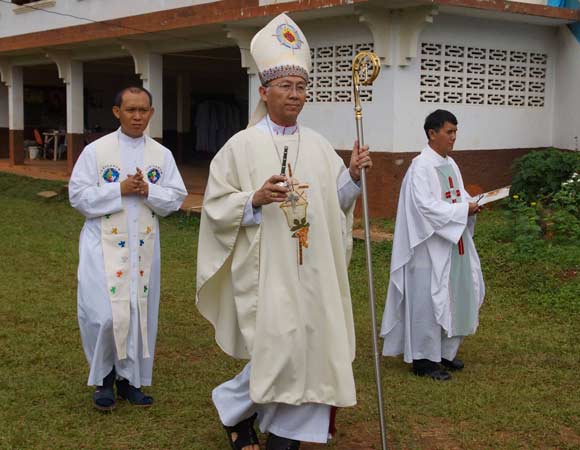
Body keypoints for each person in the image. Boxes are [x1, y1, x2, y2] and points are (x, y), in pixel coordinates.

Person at [195, 13, 371, 450]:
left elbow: (335, 202)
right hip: (268, 269)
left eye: (301, 86)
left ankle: (286, 436)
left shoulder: (318, 145)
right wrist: (253, 199)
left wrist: (351, 175)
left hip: (314, 268)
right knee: (280, 351)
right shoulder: (241, 146)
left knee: (316, 345)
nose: (295, 95)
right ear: (264, 92)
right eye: (286, 86)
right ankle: (235, 408)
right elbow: (216, 206)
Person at [69, 86, 187, 410]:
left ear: (151, 113)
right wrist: (118, 189)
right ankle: (103, 377)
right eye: (131, 110)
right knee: (103, 316)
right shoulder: (96, 151)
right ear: (116, 112)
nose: (137, 116)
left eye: (143, 110)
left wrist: (149, 190)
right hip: (101, 246)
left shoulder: (161, 155)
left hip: (142, 248)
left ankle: (128, 380)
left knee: (137, 312)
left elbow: (176, 197)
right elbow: (77, 196)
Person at [380, 109, 485, 381]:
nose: (453, 137)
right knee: (426, 301)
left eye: (455, 132)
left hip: (451, 244)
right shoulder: (421, 166)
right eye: (449, 132)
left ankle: (444, 352)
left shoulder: (450, 164)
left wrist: (472, 203)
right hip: (426, 247)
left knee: (452, 295)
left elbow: (457, 195)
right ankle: (424, 359)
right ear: (432, 133)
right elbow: (424, 207)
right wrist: (462, 211)